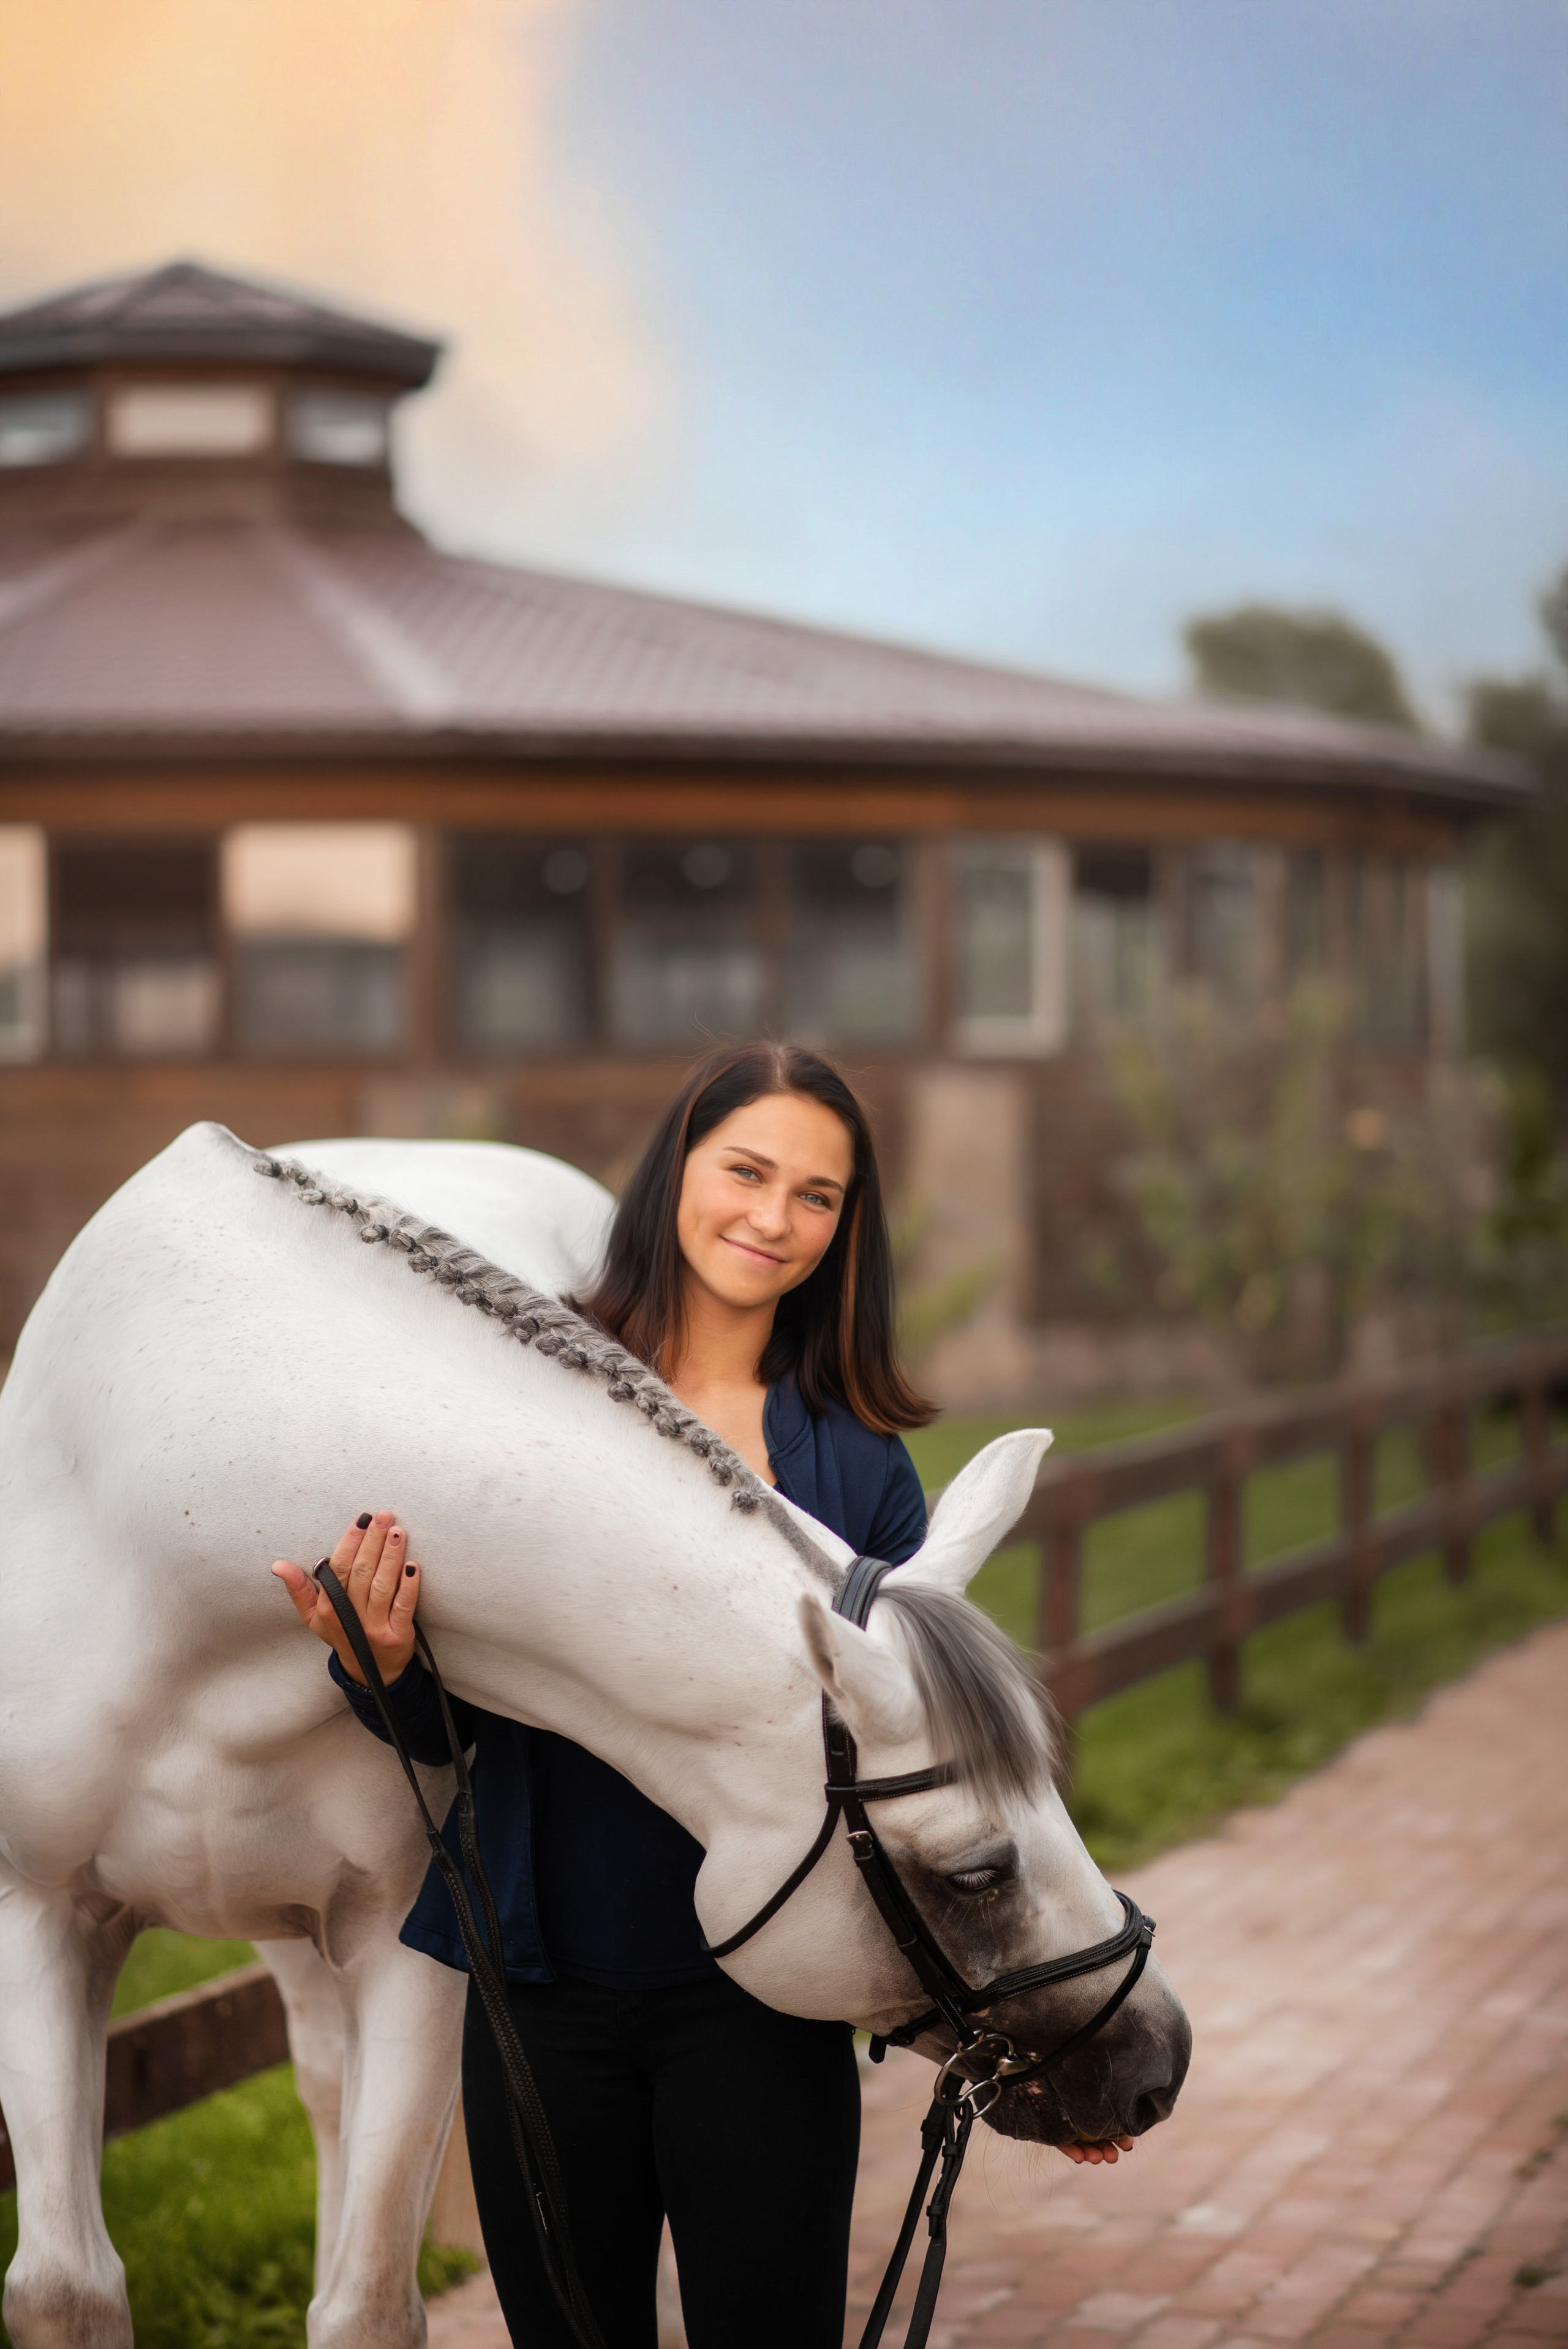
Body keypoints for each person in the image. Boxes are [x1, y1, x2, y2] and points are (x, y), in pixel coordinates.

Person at [273, 1042, 938, 2348]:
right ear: (674, 1169)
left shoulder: (861, 1468)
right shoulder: (526, 1397)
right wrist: (386, 1670)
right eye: (745, 1170)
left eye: (818, 1196)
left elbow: (913, 1759)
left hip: (762, 2010)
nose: (773, 1218)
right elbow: (457, 1728)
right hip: (539, 2001)